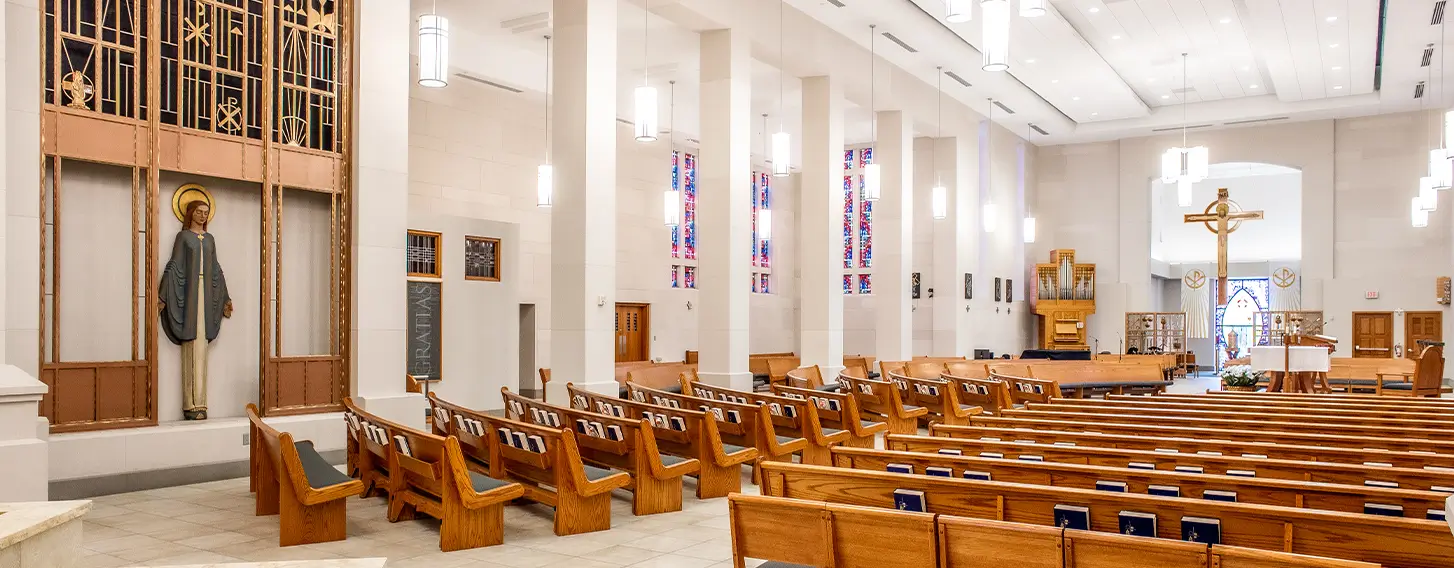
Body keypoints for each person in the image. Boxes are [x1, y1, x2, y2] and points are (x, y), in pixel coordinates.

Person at [159, 200, 232, 420]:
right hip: (190, 296)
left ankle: (202, 403)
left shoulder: (210, 239)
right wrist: (163, 296)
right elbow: (174, 266)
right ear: (190, 213)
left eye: (206, 213)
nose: (202, 216)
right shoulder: (183, 238)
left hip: (206, 296)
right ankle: (189, 405)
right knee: (190, 344)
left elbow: (216, 269)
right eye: (199, 212)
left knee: (202, 346)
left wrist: (226, 298)